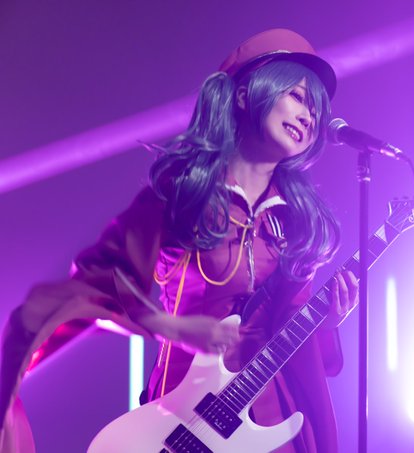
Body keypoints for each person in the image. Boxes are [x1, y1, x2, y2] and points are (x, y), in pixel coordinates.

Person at [0, 28, 358, 452]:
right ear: (246, 95)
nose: (309, 116)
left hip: (272, 420)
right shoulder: (182, 194)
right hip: (182, 421)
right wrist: (169, 325)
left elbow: (293, 327)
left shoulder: (295, 220)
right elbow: (99, 282)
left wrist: (327, 320)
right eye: (297, 97)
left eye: (315, 108)